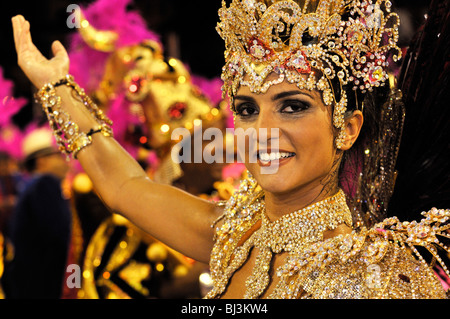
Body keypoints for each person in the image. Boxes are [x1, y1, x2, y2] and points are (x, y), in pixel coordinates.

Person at [10, 0, 449, 299]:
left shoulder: (373, 276)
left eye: (293, 106)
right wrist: (55, 88)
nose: (263, 131)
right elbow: (125, 185)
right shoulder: (234, 233)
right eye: (247, 109)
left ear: (348, 129)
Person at [3, 127, 72, 298]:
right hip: (44, 286)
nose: (66, 160)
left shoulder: (33, 187)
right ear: (41, 161)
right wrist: (75, 279)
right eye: (59, 154)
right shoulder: (44, 185)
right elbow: (65, 235)